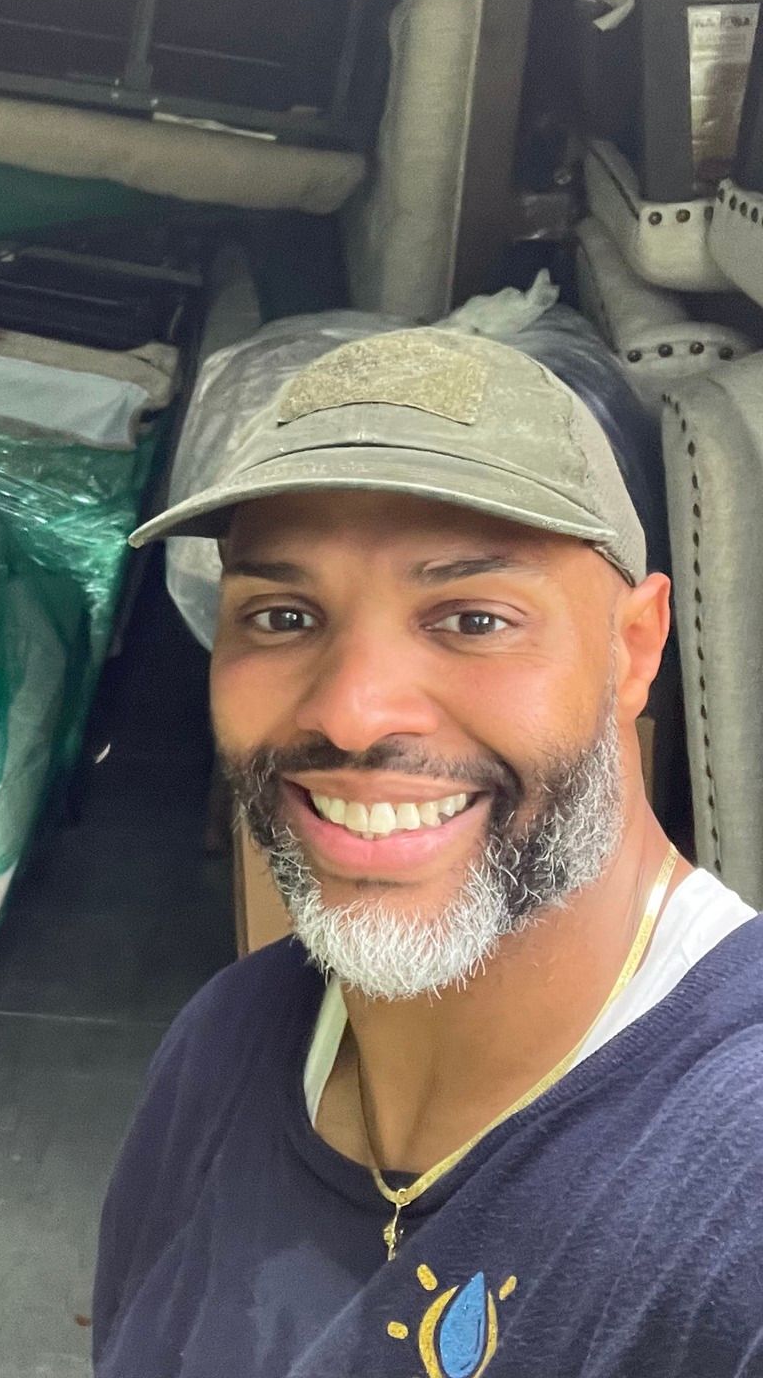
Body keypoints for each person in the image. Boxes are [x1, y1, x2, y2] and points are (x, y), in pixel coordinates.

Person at [94, 326, 763, 1378]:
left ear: (634, 649)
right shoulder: (223, 1049)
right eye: (281, 613)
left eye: (473, 617)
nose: (354, 712)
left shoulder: (731, 1164)